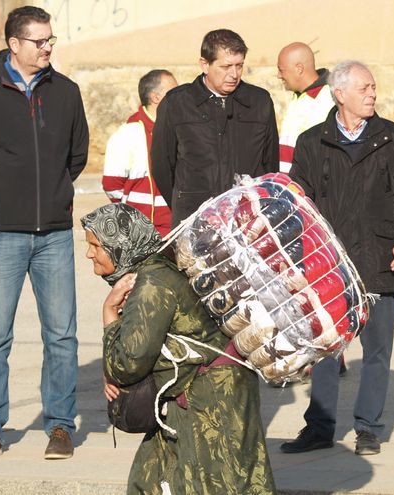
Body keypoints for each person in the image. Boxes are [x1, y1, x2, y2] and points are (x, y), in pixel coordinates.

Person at [0, 5, 88, 462]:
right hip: (1, 236)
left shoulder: (66, 92)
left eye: (51, 40)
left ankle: (61, 426)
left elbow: (77, 154)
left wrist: (52, 196)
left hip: (53, 235)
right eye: (39, 41)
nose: (48, 47)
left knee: (62, 335)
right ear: (15, 44)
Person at [82, 203, 275, 495]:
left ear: (119, 244)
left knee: (219, 485)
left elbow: (127, 364)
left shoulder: (152, 284)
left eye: (95, 245)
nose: (89, 254)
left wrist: (108, 312)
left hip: (210, 402)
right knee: (148, 481)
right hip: (199, 393)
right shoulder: (157, 268)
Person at [282, 60, 394, 456]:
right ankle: (320, 428)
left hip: (382, 258)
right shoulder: (313, 142)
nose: (372, 94)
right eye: (364, 88)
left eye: (374, 87)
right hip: (329, 263)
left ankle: (368, 428)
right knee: (326, 349)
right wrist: (299, 258)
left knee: (377, 351)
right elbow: (299, 202)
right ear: (339, 94)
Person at [151, 29, 279, 229]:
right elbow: (162, 167)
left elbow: (269, 163)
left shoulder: (259, 102)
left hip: (246, 221)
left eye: (239, 65)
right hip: (194, 220)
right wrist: (185, 202)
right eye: (226, 66)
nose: (234, 74)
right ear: (205, 64)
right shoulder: (177, 103)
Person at [102, 69, 179, 236]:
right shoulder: (128, 134)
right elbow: (111, 184)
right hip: (141, 232)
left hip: (176, 229)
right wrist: (134, 216)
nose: (179, 96)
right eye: (173, 90)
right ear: (155, 97)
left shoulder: (180, 129)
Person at [276, 42, 334, 173]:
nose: (278, 75)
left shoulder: (328, 99)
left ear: (299, 69)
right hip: (289, 186)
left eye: (281, 70)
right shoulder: (299, 96)